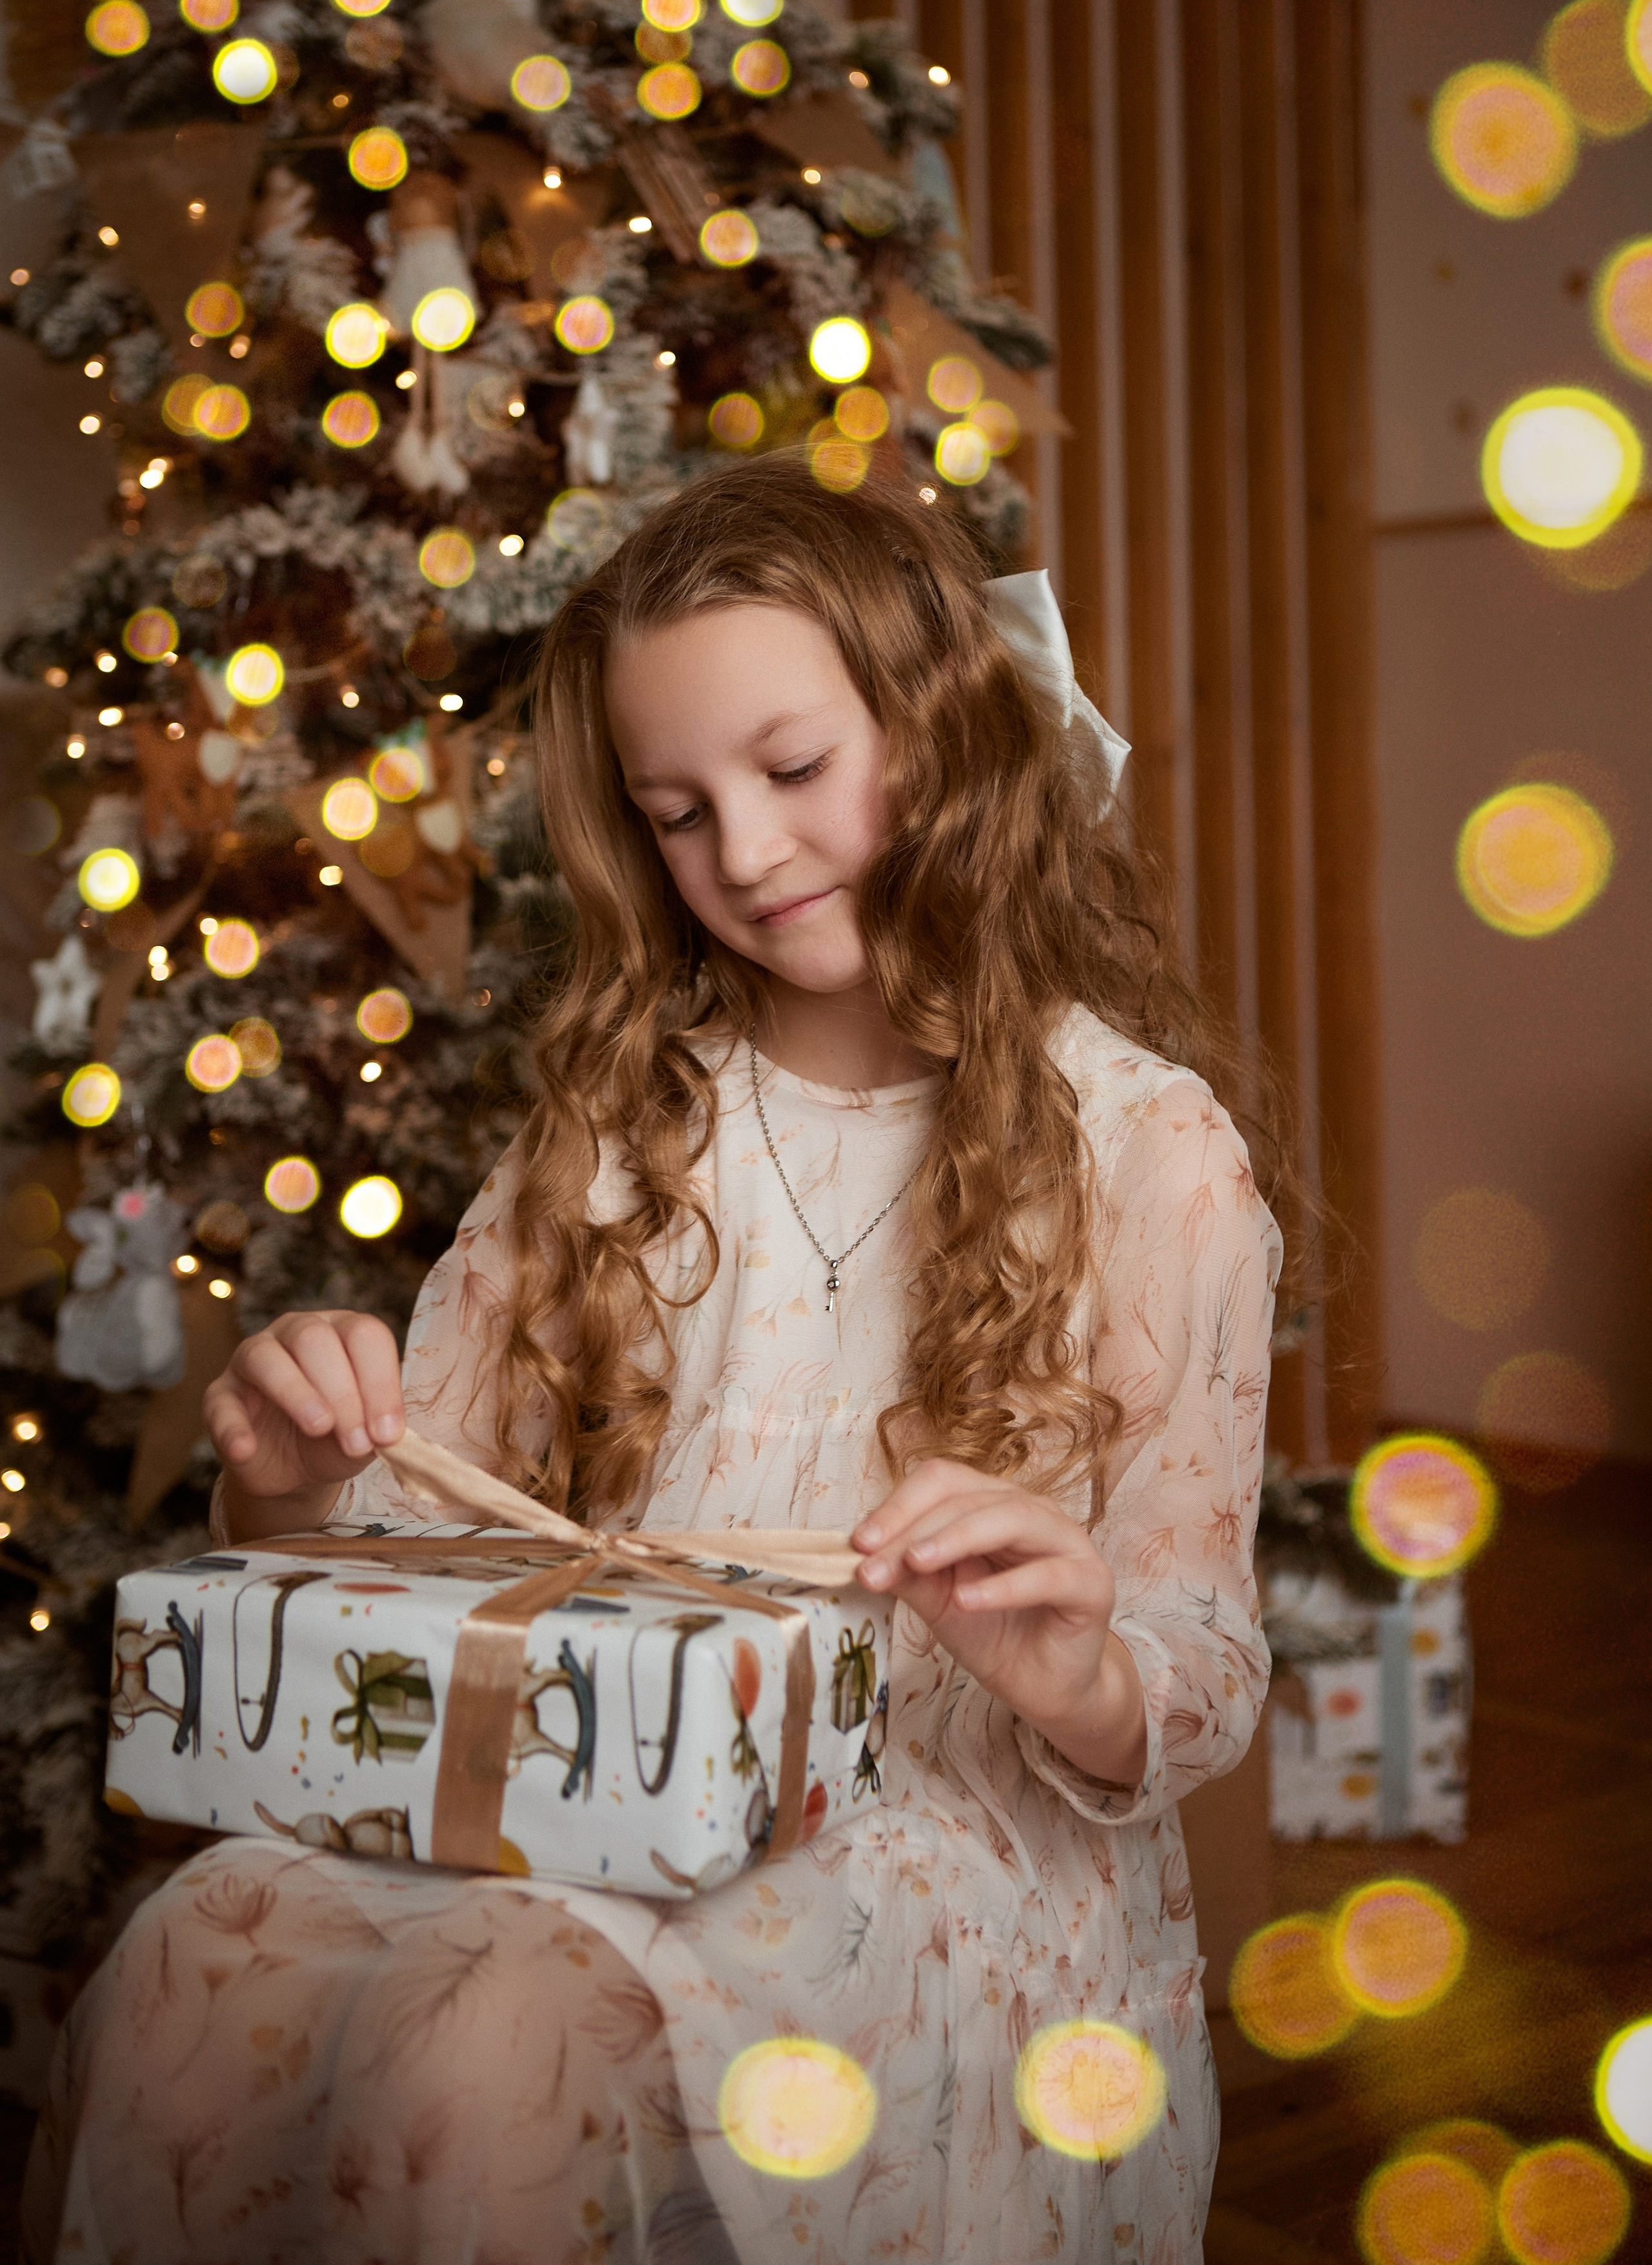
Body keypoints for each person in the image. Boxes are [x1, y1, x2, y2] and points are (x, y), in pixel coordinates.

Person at [26, 451, 1284, 2264]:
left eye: (792, 771)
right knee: (182, 1980)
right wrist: (294, 1471)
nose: (744, 854)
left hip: (934, 1839)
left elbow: (1207, 1670)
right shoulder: (618, 1129)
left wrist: (1076, 1661)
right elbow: (398, 1547)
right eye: (676, 810)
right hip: (576, 1778)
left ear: (935, 732)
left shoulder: (1152, 1153)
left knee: (491, 2039)